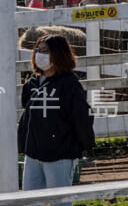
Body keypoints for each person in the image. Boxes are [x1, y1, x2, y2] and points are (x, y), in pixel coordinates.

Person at [19, 33, 94, 203]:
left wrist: (81, 146)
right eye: (38, 50)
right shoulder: (32, 83)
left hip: (59, 155)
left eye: (45, 51)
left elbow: (81, 117)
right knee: (29, 201)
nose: (39, 54)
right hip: (33, 154)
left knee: (60, 202)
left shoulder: (69, 85)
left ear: (58, 54)